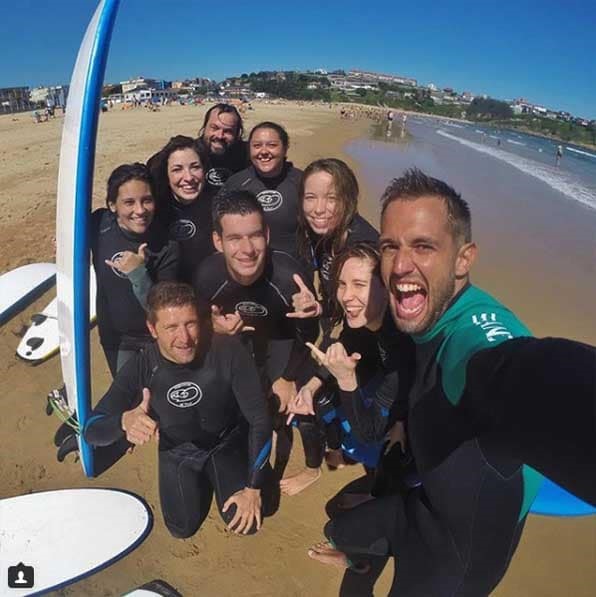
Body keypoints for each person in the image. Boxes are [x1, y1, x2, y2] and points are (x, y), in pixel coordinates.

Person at [303, 168, 595, 594]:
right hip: (419, 508)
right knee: (339, 527)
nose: (401, 265)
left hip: (450, 566)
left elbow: (532, 380)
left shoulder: (475, 340)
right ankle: (361, 559)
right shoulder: (423, 324)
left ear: (463, 258)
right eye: (390, 246)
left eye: (423, 246)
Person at [84, 281, 276, 537]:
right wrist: (124, 421)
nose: (184, 338)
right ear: (153, 329)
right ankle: (204, 483)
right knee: (181, 529)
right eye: (171, 327)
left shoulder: (228, 350)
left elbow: (259, 420)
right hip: (178, 450)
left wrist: (253, 489)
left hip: (226, 441)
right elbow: (92, 430)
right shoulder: (141, 367)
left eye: (190, 324)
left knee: (250, 519)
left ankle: (229, 475)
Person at [193, 190, 324, 496]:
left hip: (285, 341)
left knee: (301, 405)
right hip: (241, 342)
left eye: (255, 236)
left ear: (267, 234)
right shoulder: (208, 275)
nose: (247, 249)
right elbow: (198, 323)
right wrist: (213, 327)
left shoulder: (289, 275)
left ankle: (312, 468)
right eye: (234, 238)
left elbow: (307, 335)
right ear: (217, 241)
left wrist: (289, 378)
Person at [92, 163, 179, 377]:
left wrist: (138, 273)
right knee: (129, 401)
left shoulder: (166, 247)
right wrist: (64, 245)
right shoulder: (99, 223)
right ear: (113, 205)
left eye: (147, 200)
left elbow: (164, 309)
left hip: (153, 340)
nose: (140, 211)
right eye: (129, 202)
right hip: (114, 338)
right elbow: (72, 233)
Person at [296, 158, 378, 343]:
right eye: (310, 197)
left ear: (348, 200)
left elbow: (369, 316)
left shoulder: (363, 250)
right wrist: (319, 307)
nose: (318, 209)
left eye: (331, 198)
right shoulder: (321, 230)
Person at [220, 121, 302, 257]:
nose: (264, 151)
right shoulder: (236, 184)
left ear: (285, 148)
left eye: (272, 145)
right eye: (257, 146)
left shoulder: (301, 181)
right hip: (248, 263)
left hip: (293, 266)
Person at [148, 135, 215, 282]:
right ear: (166, 174)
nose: (189, 177)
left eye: (195, 167)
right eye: (177, 169)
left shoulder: (218, 207)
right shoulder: (153, 211)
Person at [197, 103, 248, 192]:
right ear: (204, 128)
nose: (220, 136)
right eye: (214, 128)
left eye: (228, 131)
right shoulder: (190, 153)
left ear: (237, 134)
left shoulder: (248, 155)